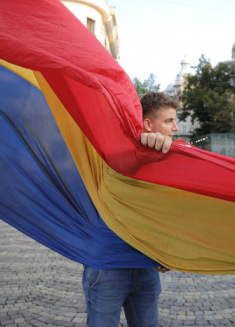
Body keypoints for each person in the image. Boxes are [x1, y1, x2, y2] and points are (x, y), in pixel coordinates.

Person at [82, 91, 177, 327]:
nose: (175, 127)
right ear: (148, 124)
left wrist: (165, 250)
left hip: (146, 267)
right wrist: (143, 149)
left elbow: (164, 211)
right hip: (109, 266)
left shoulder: (168, 159)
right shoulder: (115, 152)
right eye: (168, 121)